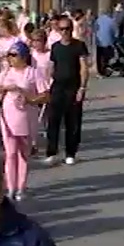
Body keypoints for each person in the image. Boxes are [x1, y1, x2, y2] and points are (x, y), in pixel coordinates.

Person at [0, 41, 49, 201]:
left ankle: (21, 187)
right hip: (8, 116)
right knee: (10, 153)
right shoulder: (5, 73)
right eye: (9, 55)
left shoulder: (33, 73)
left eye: (14, 55)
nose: (10, 58)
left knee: (23, 154)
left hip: (26, 116)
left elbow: (45, 95)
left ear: (23, 57)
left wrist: (29, 98)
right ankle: (10, 187)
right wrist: (3, 89)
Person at [44, 15, 89, 166]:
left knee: (73, 122)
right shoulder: (55, 47)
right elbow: (51, 66)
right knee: (53, 120)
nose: (65, 32)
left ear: (72, 29)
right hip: (57, 87)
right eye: (62, 29)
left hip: (73, 87)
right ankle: (52, 152)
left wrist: (82, 88)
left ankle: (71, 153)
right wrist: (46, 82)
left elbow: (83, 68)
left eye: (67, 29)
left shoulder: (79, 46)